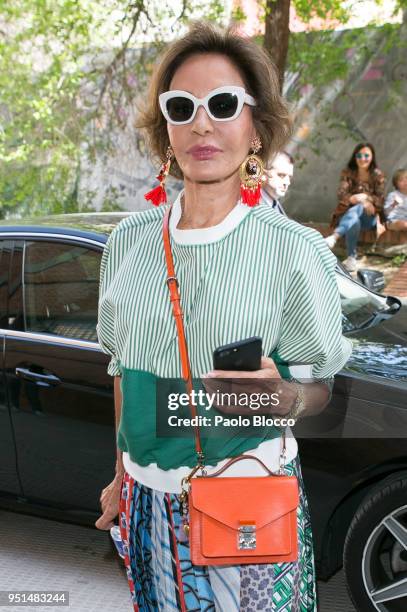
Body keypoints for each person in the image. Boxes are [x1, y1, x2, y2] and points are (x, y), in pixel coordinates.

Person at [95, 22, 352, 611]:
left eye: (223, 104)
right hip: (146, 506)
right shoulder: (127, 245)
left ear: (256, 128)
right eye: (181, 107)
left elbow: (320, 393)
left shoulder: (294, 249)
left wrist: (280, 396)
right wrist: (119, 472)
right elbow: (120, 370)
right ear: (166, 132)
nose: (202, 123)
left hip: (248, 501)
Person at [325, 142, 386, 272]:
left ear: (372, 157)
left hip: (370, 218)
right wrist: (356, 199)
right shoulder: (348, 172)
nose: (362, 158)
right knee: (355, 220)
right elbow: (341, 194)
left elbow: (380, 200)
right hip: (349, 216)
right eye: (359, 155)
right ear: (355, 157)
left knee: (358, 208)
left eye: (366, 155)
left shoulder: (378, 175)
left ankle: (334, 237)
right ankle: (351, 259)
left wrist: (365, 198)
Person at [261, 150, 294, 215]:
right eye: (281, 175)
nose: (287, 182)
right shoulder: (251, 206)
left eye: (289, 177)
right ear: (263, 174)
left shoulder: (275, 204)